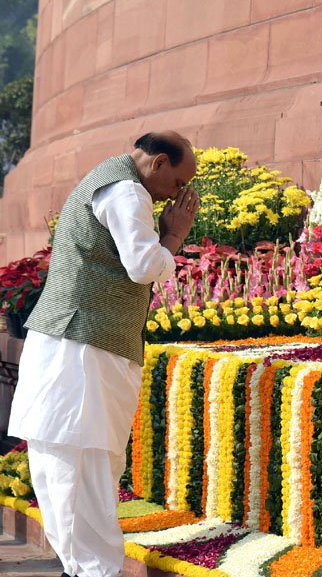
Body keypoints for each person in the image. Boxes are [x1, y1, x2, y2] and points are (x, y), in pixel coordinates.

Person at [8, 132, 200, 577]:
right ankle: (93, 571)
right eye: (178, 182)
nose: (176, 194)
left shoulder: (108, 178)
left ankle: (82, 568)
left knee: (67, 465)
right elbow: (144, 266)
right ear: (158, 163)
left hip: (71, 346)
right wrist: (174, 235)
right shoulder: (127, 191)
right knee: (86, 466)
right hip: (84, 350)